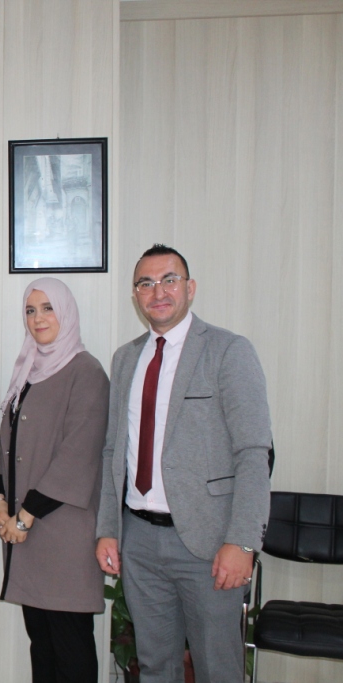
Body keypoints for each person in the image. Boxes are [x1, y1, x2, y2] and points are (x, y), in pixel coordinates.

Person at [95, 245, 272, 682]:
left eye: (169, 280)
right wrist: (108, 529)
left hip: (208, 543)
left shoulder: (228, 351)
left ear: (190, 288)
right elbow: (113, 451)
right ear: (135, 295)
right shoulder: (125, 359)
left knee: (218, 669)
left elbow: (254, 452)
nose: (158, 292)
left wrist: (242, 542)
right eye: (146, 283)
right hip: (139, 539)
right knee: (155, 666)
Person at [0, 278, 109, 683]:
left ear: (66, 312)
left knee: (70, 647)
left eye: (48, 308)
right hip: (23, 532)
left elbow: (78, 456)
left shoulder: (86, 372)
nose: (38, 318)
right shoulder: (27, 371)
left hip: (61, 534)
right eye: (30, 310)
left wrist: (23, 518)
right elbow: (4, 448)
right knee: (40, 643)